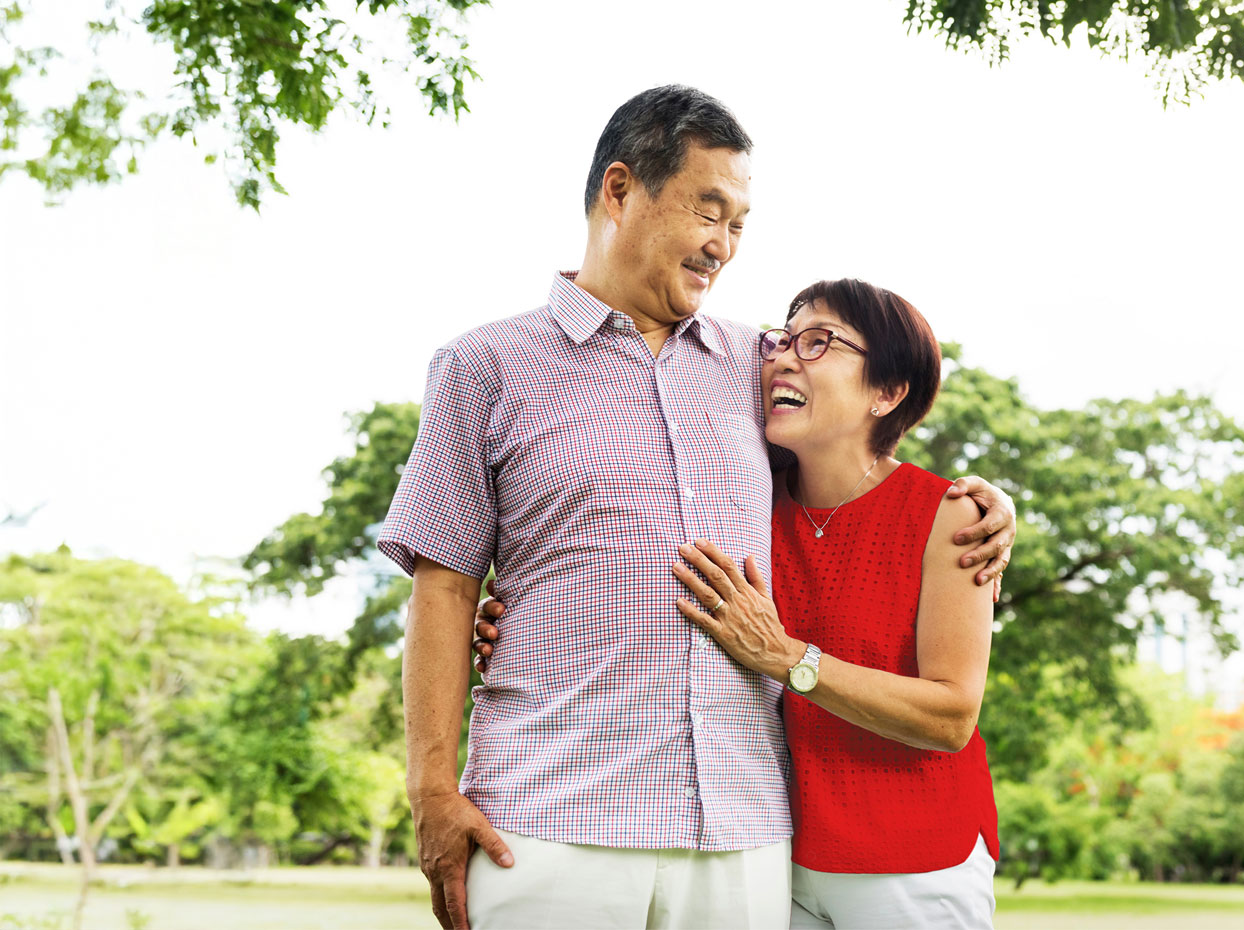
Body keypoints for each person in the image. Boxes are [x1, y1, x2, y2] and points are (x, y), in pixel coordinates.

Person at [380, 85, 1015, 930]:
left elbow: (855, 449)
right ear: (619, 191)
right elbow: (445, 585)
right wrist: (430, 786)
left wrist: (987, 501)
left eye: (740, 224)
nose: (723, 246)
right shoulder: (483, 365)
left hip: (744, 843)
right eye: (708, 211)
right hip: (547, 826)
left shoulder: (757, 363)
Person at [671, 279, 999, 928]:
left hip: (916, 862)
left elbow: (951, 716)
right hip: (777, 859)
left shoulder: (953, 514)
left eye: (819, 342)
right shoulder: (747, 502)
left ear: (887, 391)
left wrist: (787, 658)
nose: (785, 358)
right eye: (783, 341)